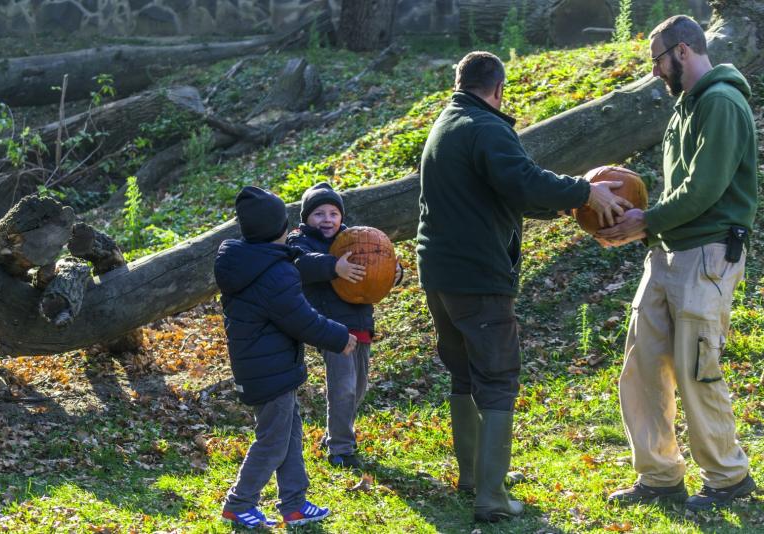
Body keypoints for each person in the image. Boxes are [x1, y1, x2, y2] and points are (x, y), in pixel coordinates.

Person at [416, 50, 631, 521]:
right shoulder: (487, 128)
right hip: (477, 276)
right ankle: (491, 496)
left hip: (440, 274)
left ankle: (473, 477)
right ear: (498, 89)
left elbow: (504, 191)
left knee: (464, 374)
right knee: (496, 379)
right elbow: (523, 178)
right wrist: (584, 192)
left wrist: (564, 203)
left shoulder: (447, 123)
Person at [598, 15, 758, 511]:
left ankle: (729, 479)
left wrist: (646, 221)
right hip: (667, 252)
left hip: (708, 254)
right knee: (642, 367)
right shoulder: (685, 108)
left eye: (658, 61)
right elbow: (677, 191)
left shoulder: (722, 102)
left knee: (696, 370)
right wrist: (635, 209)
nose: (655, 72)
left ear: (683, 51)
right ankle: (660, 476)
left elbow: (706, 189)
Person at [214, 186, 357, 528]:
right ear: (279, 227)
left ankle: (293, 502)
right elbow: (301, 319)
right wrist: (339, 337)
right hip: (269, 371)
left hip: (272, 366)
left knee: (289, 436)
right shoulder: (274, 274)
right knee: (274, 442)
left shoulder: (254, 260)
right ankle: (239, 502)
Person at [287, 182, 402, 469]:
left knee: (358, 387)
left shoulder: (359, 242)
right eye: (319, 214)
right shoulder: (301, 241)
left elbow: (378, 269)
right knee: (344, 388)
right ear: (306, 219)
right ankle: (341, 448)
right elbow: (300, 264)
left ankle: (333, 435)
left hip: (360, 323)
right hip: (331, 327)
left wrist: (394, 273)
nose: (327, 219)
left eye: (333, 213)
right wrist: (333, 266)